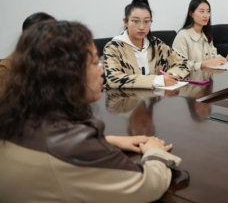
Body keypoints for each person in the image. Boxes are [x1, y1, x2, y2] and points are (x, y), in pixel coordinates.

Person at [0, 21, 182, 202]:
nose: (101, 70)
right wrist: (155, 152)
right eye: (96, 62)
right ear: (68, 73)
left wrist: (107, 140)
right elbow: (146, 188)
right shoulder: (73, 147)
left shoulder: (16, 119)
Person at [104, 0, 189, 89]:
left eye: (146, 21)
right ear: (125, 21)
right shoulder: (113, 47)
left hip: (154, 100)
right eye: (136, 21)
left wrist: (170, 75)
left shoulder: (156, 44)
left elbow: (183, 62)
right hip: (126, 101)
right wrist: (157, 80)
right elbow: (113, 79)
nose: (141, 27)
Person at [0, 12, 55, 94]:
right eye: (48, 32)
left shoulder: (54, 58)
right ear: (30, 35)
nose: (54, 36)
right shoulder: (8, 66)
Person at [173, 0, 227, 71]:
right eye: (202, 11)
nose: (206, 15)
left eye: (208, 11)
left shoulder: (206, 34)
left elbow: (213, 55)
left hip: (208, 78)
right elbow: (179, 64)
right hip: (190, 80)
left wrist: (220, 59)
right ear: (191, 14)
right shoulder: (182, 36)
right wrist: (203, 64)